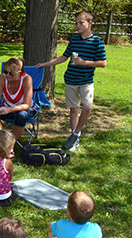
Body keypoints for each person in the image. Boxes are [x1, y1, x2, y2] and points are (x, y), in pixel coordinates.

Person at [37, 11, 106, 151]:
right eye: (76, 23)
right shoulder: (74, 40)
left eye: (81, 23)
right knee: (74, 110)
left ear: (90, 23)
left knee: (87, 108)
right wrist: (45, 64)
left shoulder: (97, 41)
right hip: (70, 80)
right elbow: (64, 57)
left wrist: (84, 62)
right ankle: (74, 139)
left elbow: (102, 63)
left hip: (86, 80)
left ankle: (75, 134)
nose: (77, 26)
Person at [0, 57, 35, 141]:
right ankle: (1, 139)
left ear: (19, 73)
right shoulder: (2, 78)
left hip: (25, 110)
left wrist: (9, 109)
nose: (7, 75)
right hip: (6, 109)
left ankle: (11, 143)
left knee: (22, 115)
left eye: (11, 73)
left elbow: (26, 105)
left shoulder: (27, 79)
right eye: (5, 72)